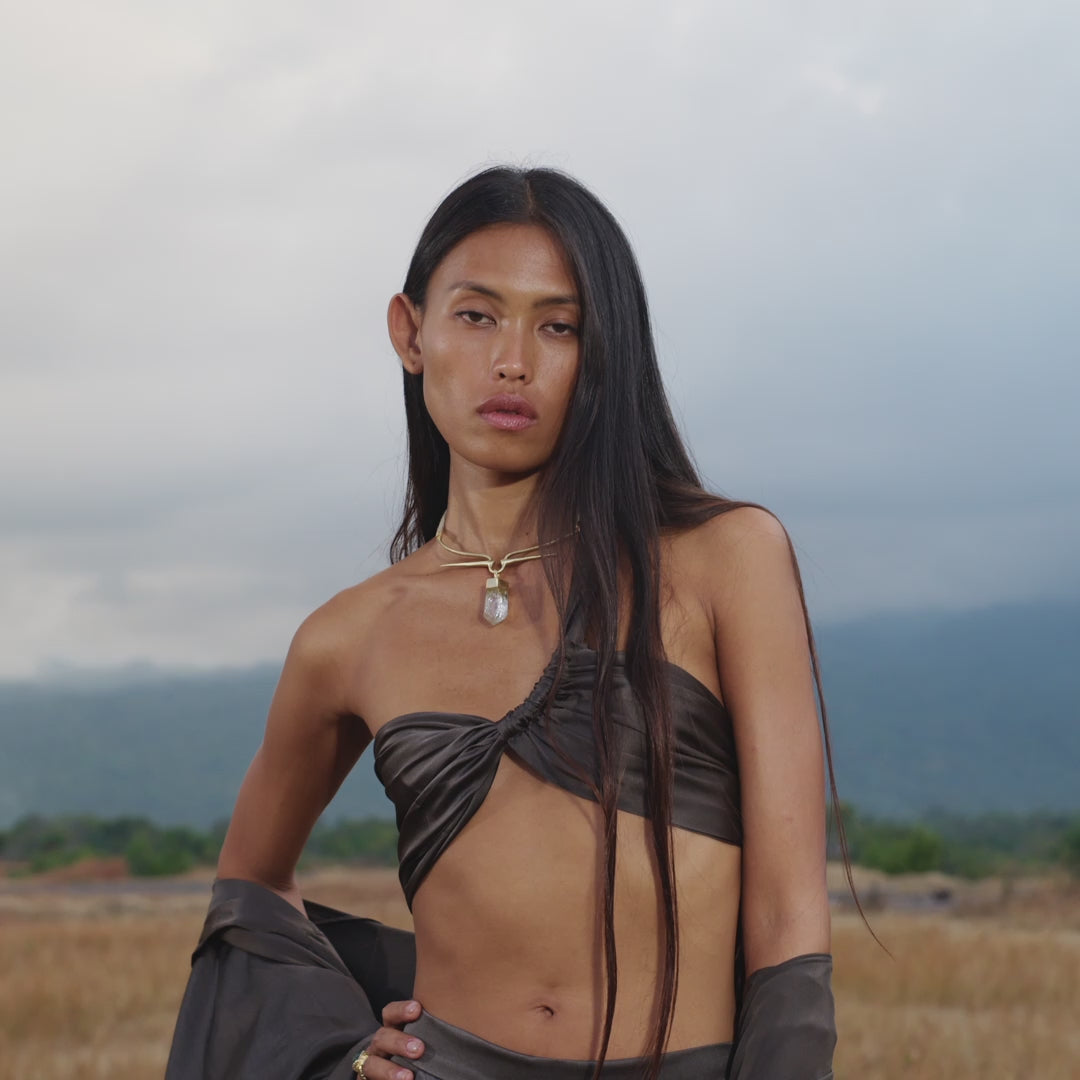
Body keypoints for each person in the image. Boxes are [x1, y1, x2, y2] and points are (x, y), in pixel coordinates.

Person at [166, 166, 838, 1080]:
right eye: (477, 316)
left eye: (558, 325)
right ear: (411, 331)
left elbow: (790, 918)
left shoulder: (725, 557)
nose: (513, 360)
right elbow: (248, 895)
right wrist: (339, 1056)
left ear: (605, 354)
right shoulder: (348, 636)